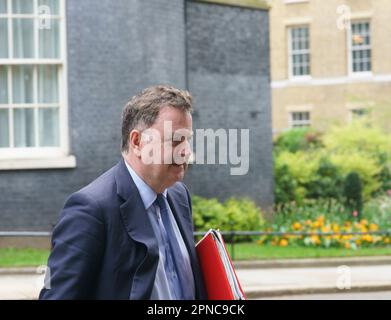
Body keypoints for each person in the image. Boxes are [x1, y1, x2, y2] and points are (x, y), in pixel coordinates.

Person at [39, 85, 207, 300]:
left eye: (187, 139)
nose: (186, 151)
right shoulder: (89, 210)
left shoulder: (179, 195)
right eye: (175, 140)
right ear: (137, 142)